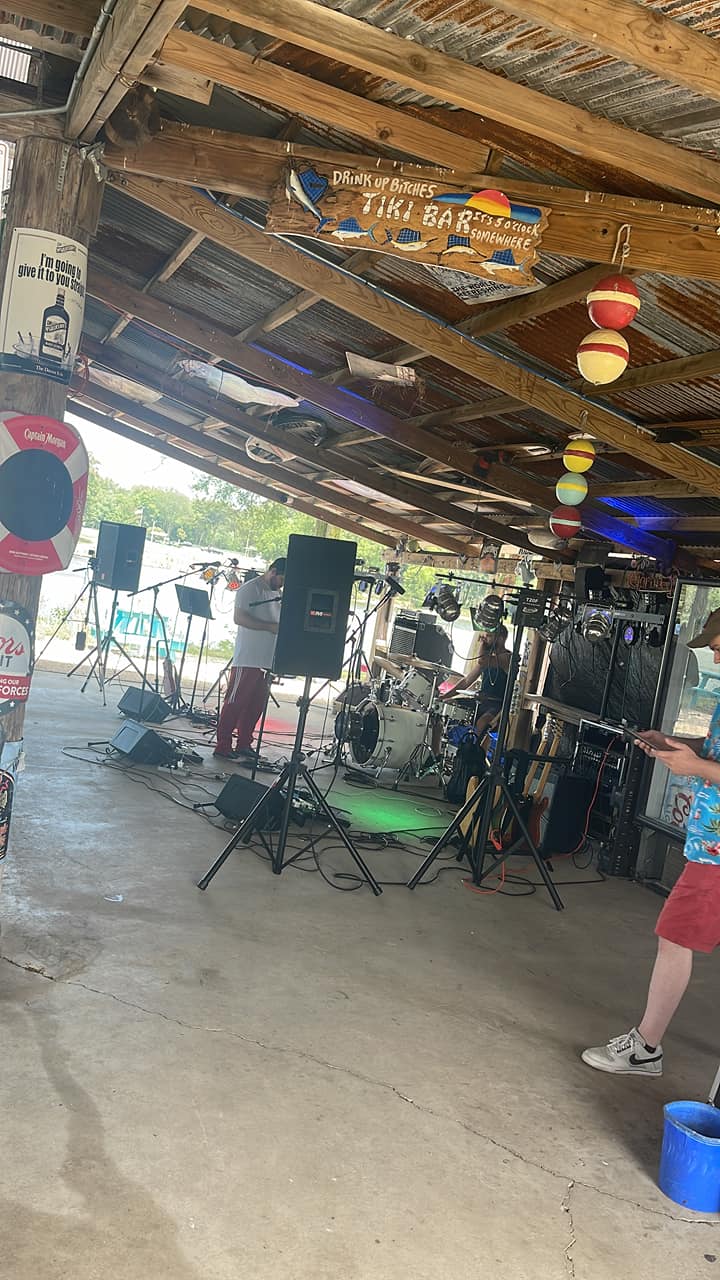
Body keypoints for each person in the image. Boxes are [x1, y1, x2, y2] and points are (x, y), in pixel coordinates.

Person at [582, 607, 720, 1077]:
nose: (715, 657)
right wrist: (677, 745)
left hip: (716, 855)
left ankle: (646, 1049)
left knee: (674, 936)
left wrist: (695, 767)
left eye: (719, 647)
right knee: (676, 936)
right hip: (709, 844)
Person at [214, 557, 286, 761]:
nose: (282, 585)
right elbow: (239, 618)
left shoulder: (279, 594)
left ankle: (244, 743)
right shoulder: (249, 589)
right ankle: (223, 745)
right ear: (273, 571)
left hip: (267, 658)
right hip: (248, 657)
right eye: (281, 579)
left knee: (256, 705)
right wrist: (269, 627)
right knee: (235, 702)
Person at [439, 625, 511, 736]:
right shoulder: (488, 658)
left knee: (482, 723)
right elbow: (466, 681)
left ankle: (474, 745)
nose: (485, 639)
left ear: (501, 639)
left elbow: (482, 661)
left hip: (497, 705)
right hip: (480, 701)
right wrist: (445, 697)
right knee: (446, 706)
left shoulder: (507, 658)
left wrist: (482, 645)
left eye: (489, 636)